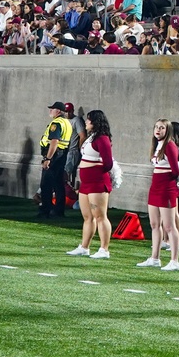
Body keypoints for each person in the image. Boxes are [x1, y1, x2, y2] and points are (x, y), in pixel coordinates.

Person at [69, 109, 115, 258]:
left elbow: (108, 163)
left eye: (89, 120)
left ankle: (104, 249)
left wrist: (93, 170)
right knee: (87, 216)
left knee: (100, 216)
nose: (86, 122)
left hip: (97, 183)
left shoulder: (102, 139)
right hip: (86, 183)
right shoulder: (92, 137)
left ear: (95, 122)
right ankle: (84, 247)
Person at [142, 119, 179, 270]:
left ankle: (174, 261)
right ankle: (155, 258)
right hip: (155, 187)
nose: (158, 130)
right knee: (154, 224)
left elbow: (175, 170)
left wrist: (168, 182)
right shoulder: (157, 145)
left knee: (169, 226)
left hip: (166, 188)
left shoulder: (170, 146)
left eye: (162, 128)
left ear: (168, 131)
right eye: (156, 127)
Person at [39, 102, 75, 218]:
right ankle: (59, 211)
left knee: (46, 184)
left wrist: (48, 158)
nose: (50, 111)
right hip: (62, 155)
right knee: (58, 183)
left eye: (52, 109)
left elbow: (54, 141)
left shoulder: (56, 123)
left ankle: (45, 210)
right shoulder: (66, 123)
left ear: (58, 111)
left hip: (54, 155)